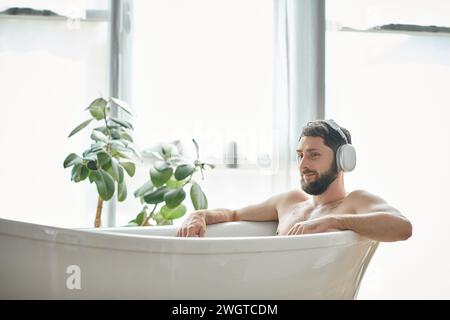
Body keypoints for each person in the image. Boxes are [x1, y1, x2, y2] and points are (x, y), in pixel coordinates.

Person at [176, 120, 412, 242]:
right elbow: (234, 215)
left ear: (343, 161)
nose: (302, 165)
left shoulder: (355, 202)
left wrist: (333, 221)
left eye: (314, 155)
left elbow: (402, 227)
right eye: (300, 155)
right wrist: (200, 215)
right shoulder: (290, 201)